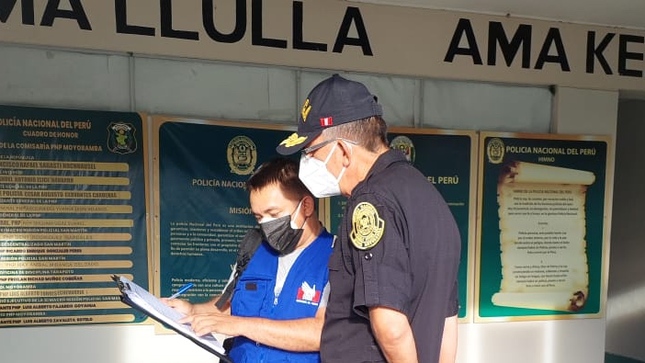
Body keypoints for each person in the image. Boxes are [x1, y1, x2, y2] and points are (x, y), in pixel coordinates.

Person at [276, 74, 461, 363]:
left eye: (310, 152)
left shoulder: (370, 202)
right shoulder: (427, 195)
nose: (306, 163)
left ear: (342, 150)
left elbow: (390, 325)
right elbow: (447, 318)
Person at [165, 157, 334, 363]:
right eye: (259, 217)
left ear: (306, 206)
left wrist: (240, 325)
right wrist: (193, 310)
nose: (266, 224)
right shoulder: (253, 248)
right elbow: (231, 306)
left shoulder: (337, 257)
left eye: (274, 213)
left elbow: (322, 332)